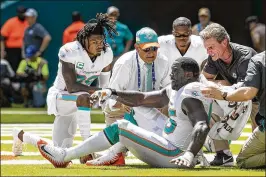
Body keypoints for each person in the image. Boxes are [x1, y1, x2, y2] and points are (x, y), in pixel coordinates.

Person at [36, 57, 251, 168]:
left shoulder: (190, 93)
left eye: (175, 72)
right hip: (169, 143)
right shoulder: (179, 88)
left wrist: (189, 154)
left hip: (174, 155)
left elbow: (202, 124)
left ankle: (66, 156)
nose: (171, 75)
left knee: (122, 126)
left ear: (187, 73)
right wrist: (111, 92)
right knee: (138, 108)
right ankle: (112, 153)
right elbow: (141, 98)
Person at [12, 14, 117, 164]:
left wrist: (106, 96)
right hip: (62, 96)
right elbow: (72, 86)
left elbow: (105, 86)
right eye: (94, 41)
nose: (99, 45)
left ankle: (20, 135)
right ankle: (87, 148)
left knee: (60, 155)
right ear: (83, 41)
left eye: (100, 41)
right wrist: (99, 91)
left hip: (81, 102)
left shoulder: (106, 53)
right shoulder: (70, 51)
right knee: (83, 96)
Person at [91, 27, 171, 165]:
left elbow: (169, 92)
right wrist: (123, 103)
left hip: (151, 108)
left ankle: (110, 152)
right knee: (119, 157)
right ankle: (107, 152)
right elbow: (109, 99)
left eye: (154, 49)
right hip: (122, 109)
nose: (151, 53)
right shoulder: (125, 63)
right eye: (147, 49)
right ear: (136, 47)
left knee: (172, 104)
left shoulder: (163, 61)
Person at [199, 23, 257, 166]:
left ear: (224, 42)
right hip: (238, 95)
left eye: (211, 47)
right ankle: (223, 154)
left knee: (253, 156)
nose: (208, 51)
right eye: (206, 48)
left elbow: (247, 92)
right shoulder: (214, 58)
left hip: (258, 98)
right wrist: (217, 87)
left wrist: (221, 89)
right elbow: (203, 80)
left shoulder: (245, 56)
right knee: (204, 99)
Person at [201, 52, 265, 169]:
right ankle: (223, 153)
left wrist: (224, 94)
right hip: (247, 104)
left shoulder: (257, 59)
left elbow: (247, 93)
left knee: (242, 160)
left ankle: (223, 153)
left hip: (251, 105)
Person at [0, 6, 28, 71]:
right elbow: (2, 37)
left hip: (25, 50)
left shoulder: (28, 22)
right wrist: (2, 50)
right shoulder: (11, 22)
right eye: (20, 13)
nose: (22, 14)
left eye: (23, 13)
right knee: (13, 67)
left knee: (24, 68)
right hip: (12, 50)